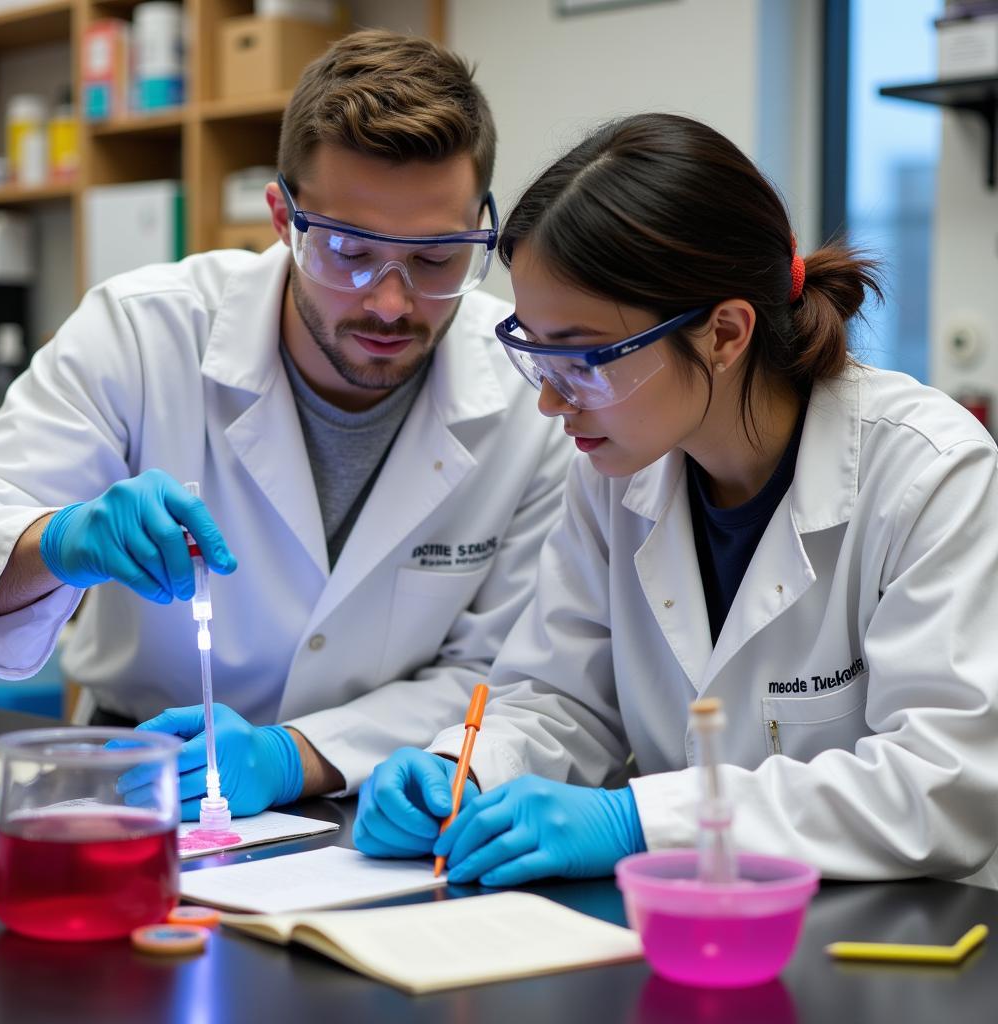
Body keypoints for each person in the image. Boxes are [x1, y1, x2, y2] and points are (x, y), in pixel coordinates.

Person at [354, 112, 998, 888]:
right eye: (537, 353)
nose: (552, 405)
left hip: (893, 946)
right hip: (689, 931)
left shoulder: (930, 474)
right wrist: (465, 769)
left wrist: (640, 822)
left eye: (585, 358)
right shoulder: (617, 472)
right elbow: (564, 698)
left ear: (725, 334)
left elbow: (944, 784)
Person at [0, 30, 571, 820]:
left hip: (376, 801)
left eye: (435, 259)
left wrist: (293, 756)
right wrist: (55, 539)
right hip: (142, 784)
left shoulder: (534, 393)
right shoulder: (142, 330)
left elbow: (503, 674)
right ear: (282, 218)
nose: (390, 303)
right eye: (351, 251)